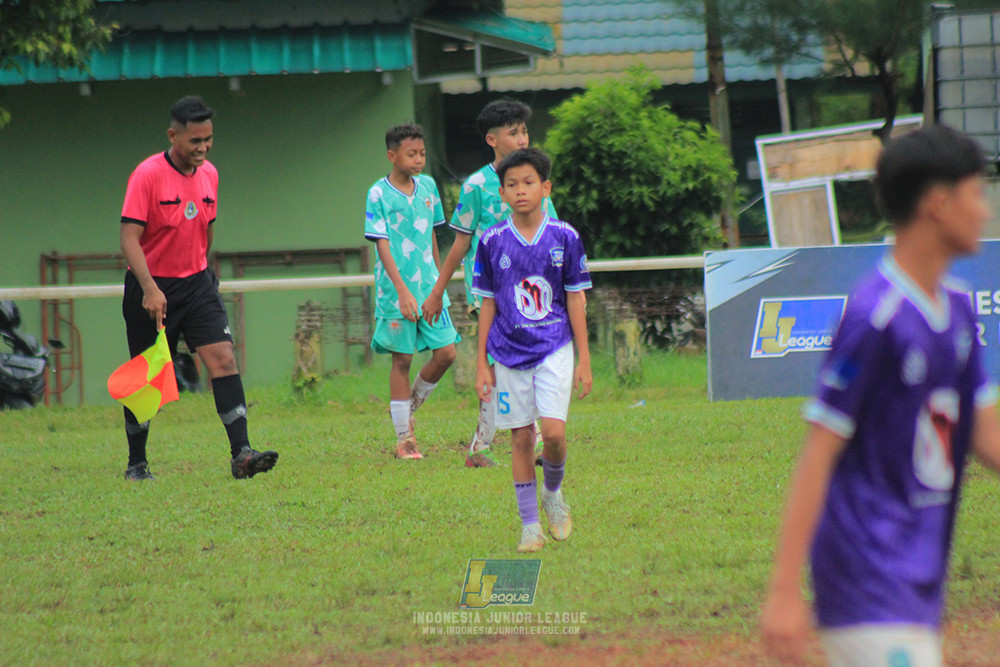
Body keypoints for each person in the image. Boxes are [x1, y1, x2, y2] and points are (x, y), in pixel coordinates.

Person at [760, 125, 1000, 666]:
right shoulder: (877, 316)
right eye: (976, 194)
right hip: (866, 575)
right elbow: (819, 453)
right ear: (938, 204)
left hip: (918, 576)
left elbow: (985, 433)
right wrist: (783, 589)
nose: (985, 211)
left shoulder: (959, 309)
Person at [119, 95, 278, 481]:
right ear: (173, 136)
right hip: (151, 288)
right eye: (195, 140)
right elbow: (128, 238)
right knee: (147, 379)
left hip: (197, 283)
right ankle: (137, 464)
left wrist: (204, 274)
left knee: (223, 359)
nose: (203, 147)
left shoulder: (210, 175)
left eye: (208, 139)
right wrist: (149, 288)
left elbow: (206, 230)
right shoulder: (147, 175)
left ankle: (242, 454)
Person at [424, 98, 558, 468]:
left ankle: (488, 445)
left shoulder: (534, 180)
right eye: (513, 133)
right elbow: (460, 244)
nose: (522, 139)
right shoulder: (476, 186)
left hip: (529, 290)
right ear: (492, 139)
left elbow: (551, 234)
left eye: (524, 132)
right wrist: (437, 292)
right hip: (490, 291)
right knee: (507, 365)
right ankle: (500, 444)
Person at [472, 147, 592, 552]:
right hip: (507, 352)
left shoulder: (565, 237)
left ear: (546, 188)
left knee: (553, 435)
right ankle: (529, 526)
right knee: (521, 438)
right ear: (502, 193)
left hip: (554, 346)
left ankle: (553, 493)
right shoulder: (491, 241)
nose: (520, 190)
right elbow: (488, 303)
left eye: (528, 182)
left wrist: (584, 360)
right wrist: (482, 363)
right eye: (512, 184)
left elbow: (575, 299)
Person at [365, 123, 458, 460]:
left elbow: (432, 234)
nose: (419, 160)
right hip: (395, 291)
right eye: (411, 154)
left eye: (422, 153)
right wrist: (402, 290)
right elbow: (382, 245)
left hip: (429, 287)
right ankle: (404, 438)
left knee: (446, 353)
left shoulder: (429, 186)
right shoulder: (377, 194)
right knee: (402, 359)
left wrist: (439, 284)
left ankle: (407, 408)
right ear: (392, 155)